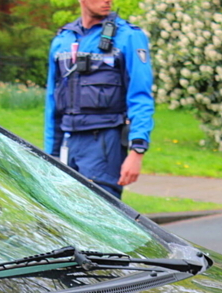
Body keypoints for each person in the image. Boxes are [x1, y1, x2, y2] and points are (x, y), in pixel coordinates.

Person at [43, 0, 154, 198]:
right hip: (68, 142)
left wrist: (137, 151)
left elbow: (141, 96)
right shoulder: (63, 39)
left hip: (104, 142)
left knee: (99, 210)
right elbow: (52, 103)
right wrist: (49, 155)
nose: (107, 1)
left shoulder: (129, 36)